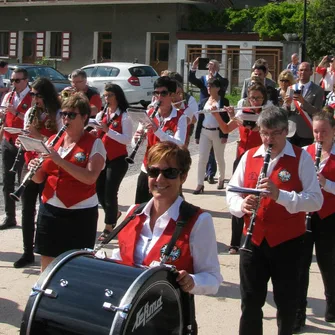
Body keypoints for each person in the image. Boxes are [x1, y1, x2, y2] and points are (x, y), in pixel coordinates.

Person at [226, 106, 323, 335]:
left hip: (288, 243)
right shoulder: (249, 156)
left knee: (287, 305)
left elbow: (315, 201)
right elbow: (231, 191)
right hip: (253, 242)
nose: (269, 139)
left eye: (275, 133)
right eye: (264, 133)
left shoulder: (301, 158)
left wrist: (281, 196)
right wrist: (241, 205)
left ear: (285, 131)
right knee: (250, 304)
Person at [111, 140, 222, 302]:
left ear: (183, 177)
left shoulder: (199, 221)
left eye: (169, 173)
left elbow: (213, 279)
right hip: (127, 311)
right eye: (154, 172)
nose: (160, 179)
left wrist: (192, 281)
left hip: (168, 318)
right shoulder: (133, 213)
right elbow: (120, 256)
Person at [28, 93, 106, 271]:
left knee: (76, 265)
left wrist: (60, 161)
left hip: (80, 212)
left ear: (85, 117)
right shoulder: (52, 141)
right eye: (63, 114)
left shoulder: (95, 144)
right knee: (47, 260)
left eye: (72, 115)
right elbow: (40, 177)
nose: (65, 118)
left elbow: (90, 177)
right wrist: (32, 168)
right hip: (50, 208)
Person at [213, 83, 271, 254]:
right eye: (251, 98)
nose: (254, 101)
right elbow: (225, 129)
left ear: (264, 99)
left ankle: (258, 237)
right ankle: (234, 242)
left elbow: (255, 128)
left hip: (260, 159)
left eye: (258, 98)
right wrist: (218, 114)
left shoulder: (267, 116)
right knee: (238, 196)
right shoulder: (243, 112)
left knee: (257, 199)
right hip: (241, 159)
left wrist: (241, 120)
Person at [13, 77, 63, 268]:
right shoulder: (30, 113)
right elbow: (29, 138)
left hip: (48, 165)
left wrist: (38, 136)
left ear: (47, 95)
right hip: (30, 163)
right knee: (27, 209)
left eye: (37, 95)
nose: (34, 99)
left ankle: (46, 251)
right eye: (32, 95)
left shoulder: (57, 113)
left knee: (47, 209)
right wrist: (23, 141)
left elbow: (60, 142)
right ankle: (27, 252)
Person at [293, 110, 335, 332]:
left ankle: (333, 305)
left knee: (329, 264)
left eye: (324, 132)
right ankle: (298, 312)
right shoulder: (306, 153)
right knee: (301, 266)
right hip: (307, 215)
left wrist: (325, 183)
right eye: (316, 132)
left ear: (333, 132)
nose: (319, 137)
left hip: (330, 217)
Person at [133, 76, 187, 204]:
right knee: (141, 208)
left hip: (169, 171)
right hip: (148, 168)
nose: (159, 97)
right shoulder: (149, 113)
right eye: (156, 93)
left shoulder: (181, 118)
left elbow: (179, 143)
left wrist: (157, 130)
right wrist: (136, 139)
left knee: (171, 208)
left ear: (172, 95)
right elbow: (136, 144)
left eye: (163, 93)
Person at [94, 83, 132, 241]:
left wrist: (108, 131)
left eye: (109, 95)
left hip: (118, 159)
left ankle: (109, 226)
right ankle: (114, 213)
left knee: (110, 192)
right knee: (99, 190)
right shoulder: (101, 114)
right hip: (102, 157)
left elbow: (127, 140)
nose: (106, 98)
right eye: (105, 95)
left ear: (117, 96)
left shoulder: (125, 115)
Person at [0, 68, 32, 230]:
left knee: (23, 181)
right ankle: (9, 216)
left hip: (24, 142)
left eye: (17, 80)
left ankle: (27, 216)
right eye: (12, 81)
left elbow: (33, 120)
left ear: (26, 80)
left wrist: (17, 112)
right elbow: (4, 118)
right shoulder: (8, 96)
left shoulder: (33, 97)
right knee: (7, 180)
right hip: (8, 140)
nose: (14, 84)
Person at [193, 77, 229, 193]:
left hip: (218, 132)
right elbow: (200, 119)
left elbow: (226, 120)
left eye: (212, 86)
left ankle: (221, 178)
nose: (209, 88)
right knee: (202, 158)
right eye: (208, 86)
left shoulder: (223, 101)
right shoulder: (204, 101)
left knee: (219, 157)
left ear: (218, 88)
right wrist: (197, 135)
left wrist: (225, 135)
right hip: (205, 132)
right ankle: (199, 184)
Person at [284, 62, 324, 147]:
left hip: (306, 132)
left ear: (311, 72)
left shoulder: (318, 90)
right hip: (290, 132)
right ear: (297, 72)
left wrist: (303, 102)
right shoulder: (291, 88)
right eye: (301, 70)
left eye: (306, 70)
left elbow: (317, 112)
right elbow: (284, 112)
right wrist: (287, 105)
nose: (303, 72)